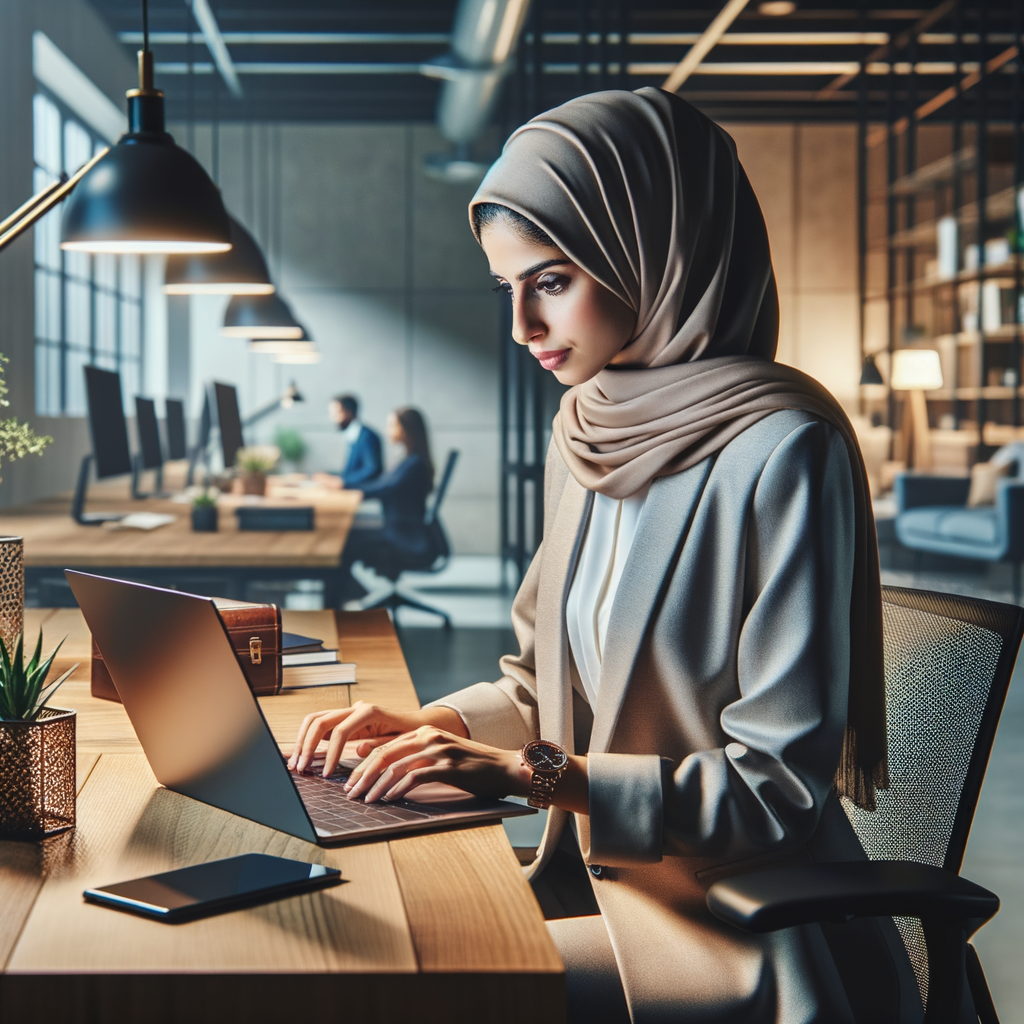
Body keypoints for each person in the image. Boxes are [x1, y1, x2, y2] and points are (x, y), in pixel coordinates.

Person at [290, 89, 915, 1023]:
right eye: (508, 290)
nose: (522, 329)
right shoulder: (587, 428)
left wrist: (524, 775)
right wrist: (428, 723)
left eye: (549, 281)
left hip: (727, 922)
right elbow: (545, 685)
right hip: (582, 876)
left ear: (655, 252)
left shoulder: (785, 449)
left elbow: (773, 789)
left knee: (404, 986)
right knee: (338, 929)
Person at [335, 406, 435, 602]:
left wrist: (345, 487)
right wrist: (343, 485)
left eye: (392, 425)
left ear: (406, 429)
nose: (388, 430)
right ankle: (349, 595)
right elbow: (381, 484)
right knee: (346, 536)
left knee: (343, 543)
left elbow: (383, 489)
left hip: (403, 536)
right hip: (400, 530)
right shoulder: (409, 460)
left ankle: (340, 600)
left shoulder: (413, 464)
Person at [318, 394, 382, 489]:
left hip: (365, 495)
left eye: (336, 413)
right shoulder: (353, 435)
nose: (332, 418)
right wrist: (329, 476)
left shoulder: (367, 437)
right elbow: (351, 471)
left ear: (348, 412)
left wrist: (342, 481)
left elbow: (372, 470)